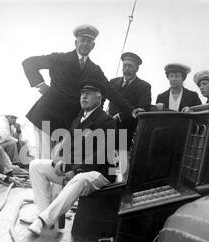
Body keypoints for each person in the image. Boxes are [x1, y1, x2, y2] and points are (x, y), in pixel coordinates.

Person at [22, 24, 134, 159]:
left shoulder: (94, 69)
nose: (85, 44)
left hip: (69, 121)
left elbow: (110, 90)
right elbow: (28, 63)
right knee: (43, 158)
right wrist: (41, 85)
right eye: (83, 40)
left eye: (89, 41)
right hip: (46, 115)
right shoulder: (59, 58)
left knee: (60, 159)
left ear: (93, 46)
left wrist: (130, 110)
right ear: (76, 42)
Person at [27, 79, 117, 236]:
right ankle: (45, 215)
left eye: (89, 94)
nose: (84, 96)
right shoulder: (77, 120)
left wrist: (76, 170)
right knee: (36, 165)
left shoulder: (106, 121)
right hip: (74, 170)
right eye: (82, 93)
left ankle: (42, 220)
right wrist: (59, 161)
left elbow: (103, 154)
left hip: (98, 173)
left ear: (99, 98)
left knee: (79, 179)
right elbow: (66, 146)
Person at [108, 52, 152, 149]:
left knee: (122, 160)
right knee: (105, 158)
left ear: (137, 68)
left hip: (127, 128)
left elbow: (143, 107)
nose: (127, 69)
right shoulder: (113, 82)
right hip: (109, 127)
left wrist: (120, 116)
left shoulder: (144, 86)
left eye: (130, 66)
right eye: (125, 66)